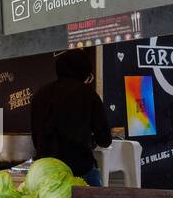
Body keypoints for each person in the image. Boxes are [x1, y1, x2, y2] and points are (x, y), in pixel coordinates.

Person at [30, 49, 113, 187]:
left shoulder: (40, 94)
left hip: (44, 172)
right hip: (80, 169)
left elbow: (35, 136)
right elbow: (104, 139)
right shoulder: (88, 94)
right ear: (84, 71)